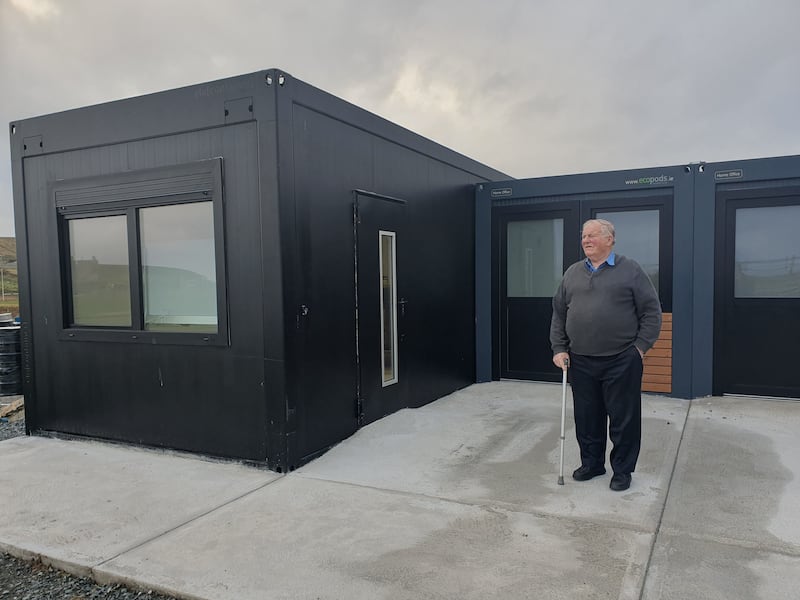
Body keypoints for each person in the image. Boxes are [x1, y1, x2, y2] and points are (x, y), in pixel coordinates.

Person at [550, 219, 662, 491]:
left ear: (610, 239)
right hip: (581, 359)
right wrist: (559, 348)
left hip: (621, 358)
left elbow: (651, 311)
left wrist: (639, 349)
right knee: (587, 417)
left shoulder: (630, 270)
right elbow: (559, 312)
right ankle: (592, 464)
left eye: (592, 235)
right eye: (583, 236)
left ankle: (622, 471)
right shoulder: (572, 273)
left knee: (624, 419)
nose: (586, 240)